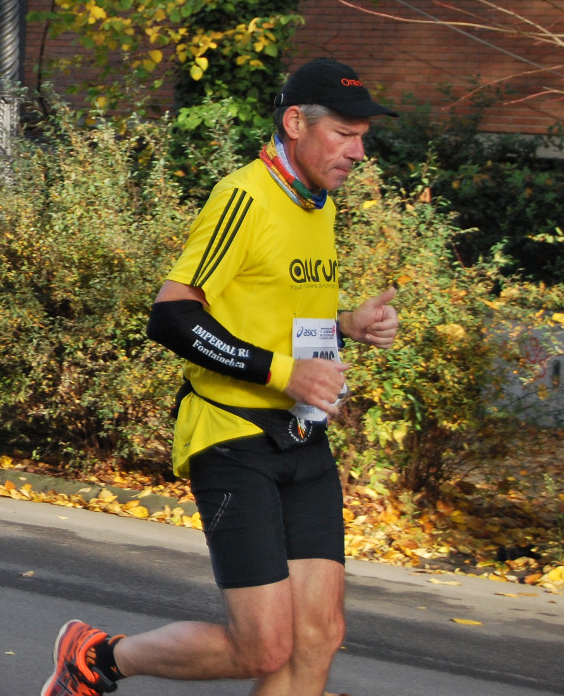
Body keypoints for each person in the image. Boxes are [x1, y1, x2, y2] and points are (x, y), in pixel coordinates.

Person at [41, 58, 402, 696]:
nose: (358, 151)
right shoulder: (245, 196)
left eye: (363, 136)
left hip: (302, 437)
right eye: (345, 134)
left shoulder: (317, 204)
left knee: (320, 636)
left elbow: (276, 310)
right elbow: (174, 315)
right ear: (296, 122)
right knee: (262, 647)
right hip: (233, 439)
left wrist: (345, 323)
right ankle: (96, 658)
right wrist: (284, 373)